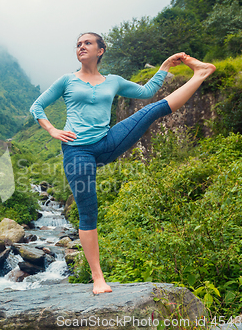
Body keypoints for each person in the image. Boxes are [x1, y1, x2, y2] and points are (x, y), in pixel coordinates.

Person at [29, 32, 216, 294]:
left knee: (151, 110)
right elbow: (37, 107)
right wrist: (52, 130)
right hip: (77, 151)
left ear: (100, 50)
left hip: (107, 142)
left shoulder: (113, 81)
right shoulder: (67, 81)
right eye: (79, 44)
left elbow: (148, 91)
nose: (81, 47)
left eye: (88, 43)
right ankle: (98, 279)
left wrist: (163, 67)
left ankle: (201, 74)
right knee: (88, 211)